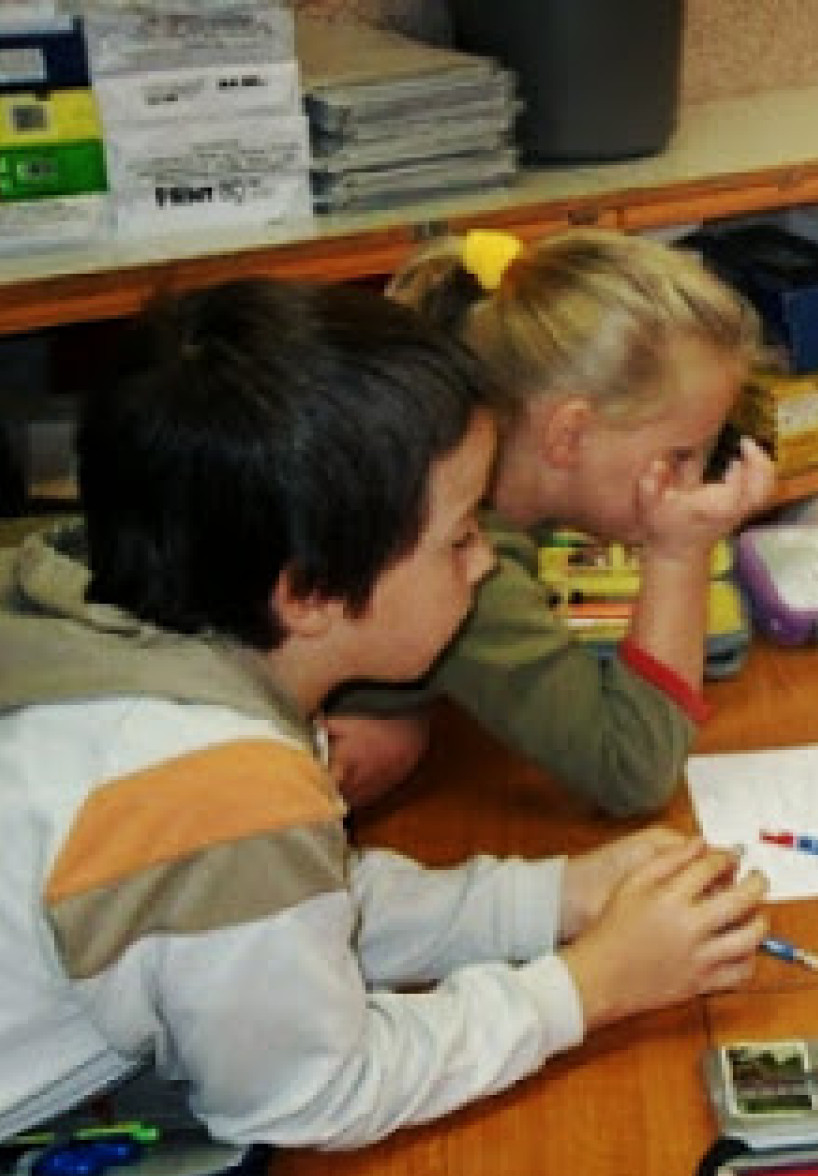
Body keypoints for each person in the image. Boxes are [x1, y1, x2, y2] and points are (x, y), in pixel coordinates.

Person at [0, 278, 768, 1153]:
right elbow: (311, 1089)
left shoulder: (147, 651)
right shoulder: (211, 783)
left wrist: (550, 898)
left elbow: (305, 905)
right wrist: (590, 985)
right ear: (309, 593)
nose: (483, 566)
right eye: (460, 538)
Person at [325, 226, 777, 813]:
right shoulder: (466, 561)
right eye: (681, 455)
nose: (691, 484)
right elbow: (631, 770)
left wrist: (406, 716)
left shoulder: (478, 495)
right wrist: (679, 554)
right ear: (568, 436)